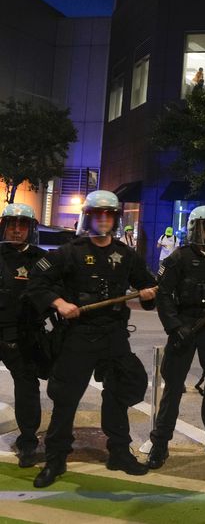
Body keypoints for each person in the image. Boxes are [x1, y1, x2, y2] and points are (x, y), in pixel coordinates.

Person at [27, 190, 158, 488]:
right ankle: (56, 459)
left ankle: (120, 453)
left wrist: (149, 293)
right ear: (89, 216)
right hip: (78, 336)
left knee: (118, 394)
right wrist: (59, 303)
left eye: (108, 214)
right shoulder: (69, 252)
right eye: (98, 214)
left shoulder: (126, 255)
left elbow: (147, 287)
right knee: (65, 398)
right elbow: (37, 284)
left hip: (114, 335)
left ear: (115, 218)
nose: (103, 219)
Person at [147, 206, 205, 469]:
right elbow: (164, 296)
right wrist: (175, 328)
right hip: (186, 327)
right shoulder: (178, 258)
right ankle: (160, 443)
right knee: (173, 388)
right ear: (195, 228)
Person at [0, 204, 48, 468]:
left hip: (22, 334)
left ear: (30, 229)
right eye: (12, 224)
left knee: (27, 388)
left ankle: (28, 441)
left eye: (22, 225)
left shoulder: (41, 260)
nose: (16, 230)